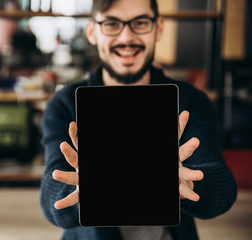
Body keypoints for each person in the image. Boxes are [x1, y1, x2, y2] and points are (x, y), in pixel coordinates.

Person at [40, 0, 237, 239]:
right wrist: (79, 191)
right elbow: (51, 196)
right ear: (92, 32)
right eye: (112, 24)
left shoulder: (191, 101)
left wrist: (188, 186)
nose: (126, 37)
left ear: (158, 28)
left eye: (140, 23)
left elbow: (222, 187)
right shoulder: (65, 104)